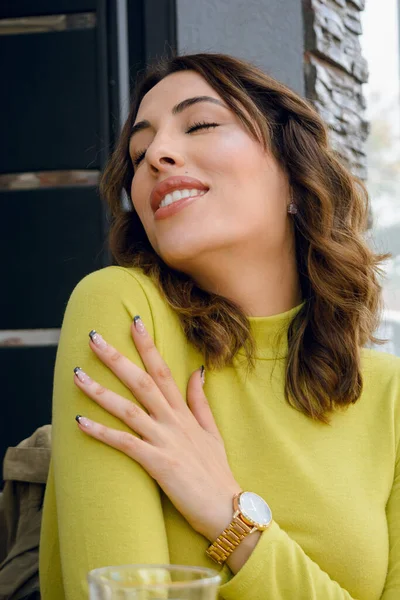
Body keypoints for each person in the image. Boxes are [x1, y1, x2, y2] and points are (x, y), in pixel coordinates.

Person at [39, 52, 399, 600]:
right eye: (138, 154)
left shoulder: (389, 395)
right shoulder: (122, 312)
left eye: (201, 124)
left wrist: (231, 518)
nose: (156, 155)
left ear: (297, 180)